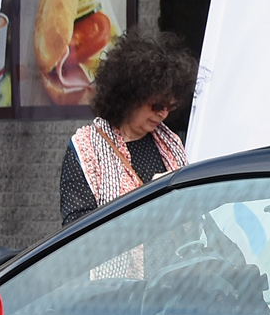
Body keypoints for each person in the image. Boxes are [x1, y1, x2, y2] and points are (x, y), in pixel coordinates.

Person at [58, 29, 196, 226]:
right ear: (131, 97)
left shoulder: (170, 143)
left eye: (171, 107)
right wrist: (149, 197)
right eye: (157, 106)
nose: (164, 114)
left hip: (174, 255)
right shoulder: (85, 148)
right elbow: (75, 225)